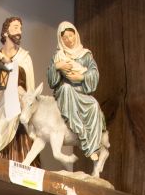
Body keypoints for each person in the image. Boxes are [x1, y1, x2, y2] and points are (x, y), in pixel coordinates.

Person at [47, 21, 110, 178]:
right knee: (66, 88)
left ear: (76, 34)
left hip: (82, 92)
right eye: (65, 38)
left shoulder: (85, 55)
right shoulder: (58, 56)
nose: (69, 40)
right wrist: (57, 67)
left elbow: (94, 74)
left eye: (71, 35)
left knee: (94, 105)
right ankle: (78, 128)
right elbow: (52, 81)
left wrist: (81, 77)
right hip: (66, 92)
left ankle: (93, 147)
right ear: (61, 40)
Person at [0, 16, 34, 161]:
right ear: (5, 32)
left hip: (19, 108)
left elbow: (29, 86)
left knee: (22, 146)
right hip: (3, 108)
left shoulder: (24, 57)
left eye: (20, 28)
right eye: (15, 27)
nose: (19, 31)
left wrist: (9, 63)